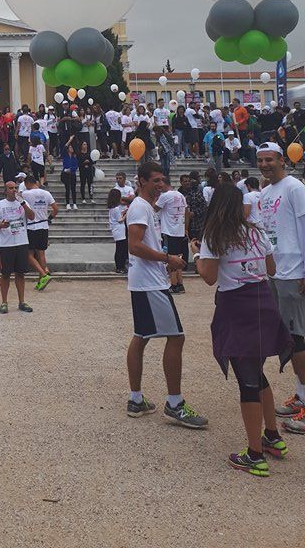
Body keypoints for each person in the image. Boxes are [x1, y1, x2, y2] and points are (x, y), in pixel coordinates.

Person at [194, 183, 291, 476]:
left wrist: (197, 257)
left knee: (247, 381)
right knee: (257, 374)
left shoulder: (214, 235)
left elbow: (209, 277)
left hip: (237, 307)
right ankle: (271, 435)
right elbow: (271, 269)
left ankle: (255, 455)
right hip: (263, 303)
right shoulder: (256, 232)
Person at [125, 161, 208, 427]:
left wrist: (165, 261)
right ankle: (174, 403)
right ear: (142, 181)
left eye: (163, 180)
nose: (161, 185)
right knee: (176, 337)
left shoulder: (145, 206)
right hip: (149, 283)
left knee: (141, 336)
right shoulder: (140, 207)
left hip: (146, 280)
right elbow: (134, 246)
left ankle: (136, 399)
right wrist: (167, 258)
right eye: (156, 180)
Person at [257, 143, 305, 434]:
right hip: (275, 272)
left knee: (298, 337)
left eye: (270, 160)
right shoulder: (265, 192)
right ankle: (301, 395)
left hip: (294, 271)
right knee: (290, 338)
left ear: (282, 161)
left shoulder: (295, 188)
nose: (265, 164)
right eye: (260, 160)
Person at [0, 182, 35, 314]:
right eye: (11, 188)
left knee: (20, 273)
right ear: (5, 190)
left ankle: (22, 301)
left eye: (15, 188)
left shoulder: (23, 203)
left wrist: (23, 203)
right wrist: (1, 226)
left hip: (21, 242)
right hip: (6, 244)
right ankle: (4, 302)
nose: (14, 190)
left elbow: (32, 216)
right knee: (5, 274)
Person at [21, 173, 57, 290]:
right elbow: (56, 209)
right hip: (44, 226)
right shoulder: (46, 193)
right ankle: (41, 279)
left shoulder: (25, 194)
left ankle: (43, 275)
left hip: (32, 226)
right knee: (41, 253)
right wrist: (49, 218)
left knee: (28, 254)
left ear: (27, 183)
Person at [156, 184, 189, 294]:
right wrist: (185, 228)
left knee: (170, 259)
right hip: (179, 231)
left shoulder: (165, 196)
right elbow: (186, 211)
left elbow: (154, 208)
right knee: (177, 259)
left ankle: (174, 284)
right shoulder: (180, 195)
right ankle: (180, 284)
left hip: (169, 231)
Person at [108, 188, 128, 273]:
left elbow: (118, 216)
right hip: (119, 230)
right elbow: (120, 220)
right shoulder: (116, 209)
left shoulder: (112, 208)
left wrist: (124, 212)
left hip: (117, 230)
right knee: (120, 249)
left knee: (120, 248)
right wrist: (126, 214)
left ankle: (120, 266)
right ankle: (120, 266)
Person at [60, 144, 79, 210]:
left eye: (72, 147)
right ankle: (68, 203)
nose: (71, 148)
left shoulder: (74, 157)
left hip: (72, 173)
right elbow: (63, 149)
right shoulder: (65, 156)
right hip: (66, 174)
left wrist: (71, 169)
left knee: (73, 189)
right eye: (70, 147)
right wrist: (69, 142)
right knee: (67, 188)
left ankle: (74, 203)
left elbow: (76, 165)